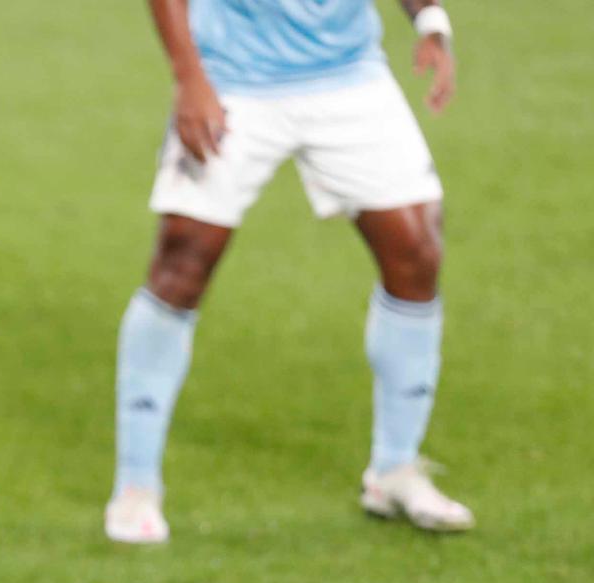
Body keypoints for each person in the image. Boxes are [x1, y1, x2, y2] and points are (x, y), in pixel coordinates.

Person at [106, 0, 473, 543]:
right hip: (233, 81)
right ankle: (135, 487)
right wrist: (190, 78)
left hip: (349, 79)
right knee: (183, 260)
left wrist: (430, 23)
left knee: (416, 251)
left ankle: (394, 470)